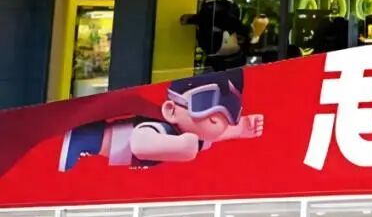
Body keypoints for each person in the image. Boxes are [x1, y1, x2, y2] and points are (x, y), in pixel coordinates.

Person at [58, 68, 264, 171]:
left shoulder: (197, 138)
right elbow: (139, 143)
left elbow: (216, 136)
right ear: (171, 110)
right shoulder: (163, 129)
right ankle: (82, 139)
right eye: (204, 102)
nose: (216, 119)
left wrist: (240, 129)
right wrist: (180, 145)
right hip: (94, 138)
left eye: (231, 109)